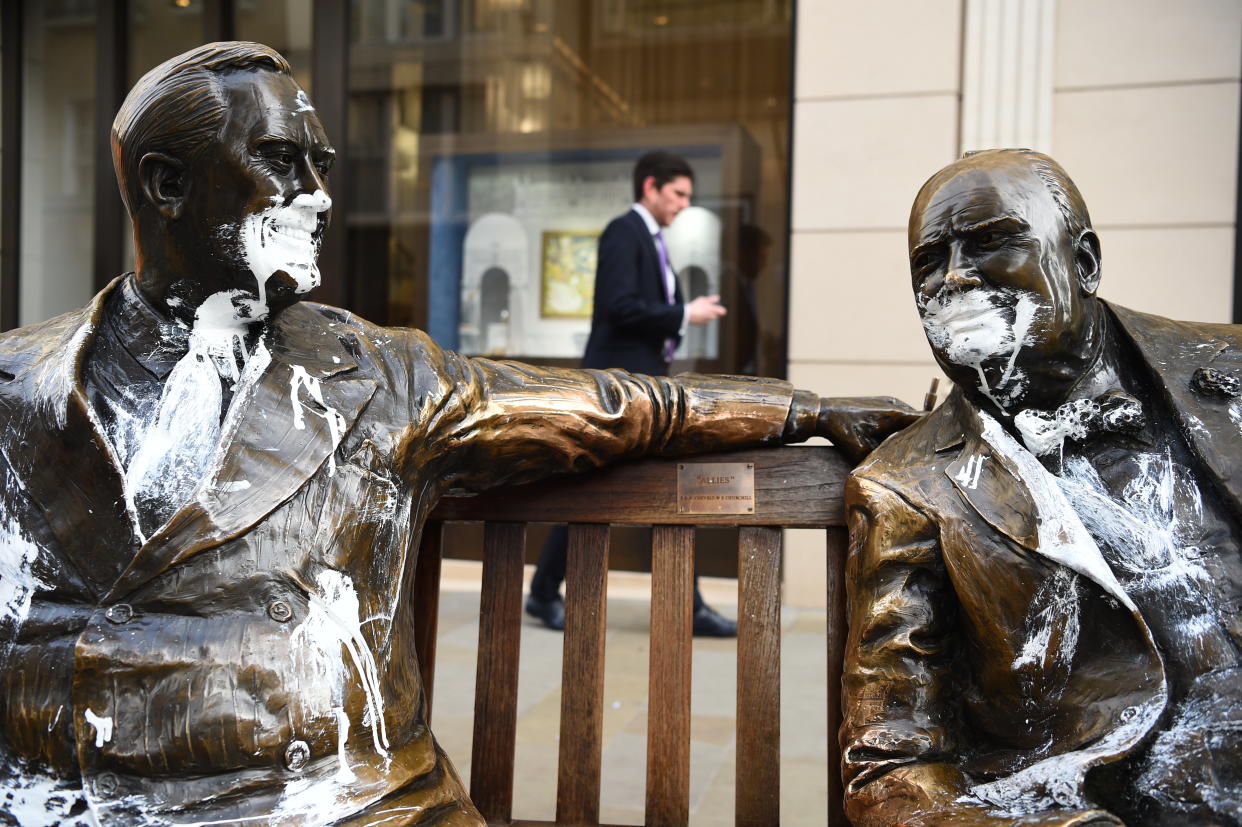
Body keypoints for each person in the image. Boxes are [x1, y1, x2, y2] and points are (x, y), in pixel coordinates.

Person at [0, 42, 916, 826]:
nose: (318, 195)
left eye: (322, 165)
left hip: (350, 805)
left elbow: (619, 404)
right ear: (165, 186)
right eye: (285, 161)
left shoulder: (383, 376)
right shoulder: (16, 384)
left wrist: (802, 410)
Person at [843, 148, 1242, 826]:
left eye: (992, 239)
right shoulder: (904, 484)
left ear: (1083, 262)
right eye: (929, 262)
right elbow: (891, 768)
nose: (956, 276)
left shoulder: (1228, 369)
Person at [525, 151, 738, 637]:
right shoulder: (625, 232)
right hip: (620, 389)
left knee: (630, 490)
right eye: (678, 193)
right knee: (601, 490)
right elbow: (619, 307)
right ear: (650, 187)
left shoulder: (651, 238)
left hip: (640, 386)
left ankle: (685, 603)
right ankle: (547, 594)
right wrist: (685, 314)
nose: (684, 204)